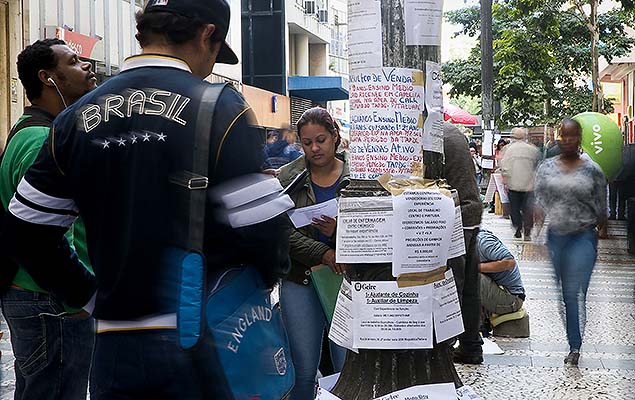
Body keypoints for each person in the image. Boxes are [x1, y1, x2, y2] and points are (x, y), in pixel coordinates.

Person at [0, 1, 290, 398]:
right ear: (206, 35)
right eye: (216, 52)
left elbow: (25, 231)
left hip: (114, 345)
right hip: (206, 341)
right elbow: (267, 233)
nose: (211, 65)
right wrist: (257, 284)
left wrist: (88, 296)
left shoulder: (72, 119)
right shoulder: (218, 106)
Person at [0, 38, 97, 400]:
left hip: (43, 296)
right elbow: (51, 233)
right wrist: (78, 299)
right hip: (51, 300)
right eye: (73, 61)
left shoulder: (34, 131)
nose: (86, 65)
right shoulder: (42, 138)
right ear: (47, 77)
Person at [277, 107, 349, 399]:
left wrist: (338, 231)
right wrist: (323, 252)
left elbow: (377, 228)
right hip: (300, 278)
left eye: (320, 140)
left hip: (346, 281)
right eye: (307, 143)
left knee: (347, 365)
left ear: (335, 137)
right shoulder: (288, 177)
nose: (314, 148)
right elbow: (279, 231)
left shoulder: (357, 176)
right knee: (303, 369)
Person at [534, 118, 607, 366]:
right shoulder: (546, 168)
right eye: (564, 136)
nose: (568, 140)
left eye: (572, 135)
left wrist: (599, 228)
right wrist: (536, 218)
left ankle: (575, 345)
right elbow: (540, 199)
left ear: (580, 137)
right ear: (559, 137)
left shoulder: (592, 170)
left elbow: (601, 206)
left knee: (575, 291)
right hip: (557, 237)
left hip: (583, 236)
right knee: (565, 294)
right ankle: (572, 340)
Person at [443, 122, 484, 365]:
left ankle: (445, 348)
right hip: (469, 211)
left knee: (452, 286)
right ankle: (470, 345)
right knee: (468, 286)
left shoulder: (434, 135)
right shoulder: (451, 131)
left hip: (454, 216)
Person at [477, 229, 526, 332]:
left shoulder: (483, 241)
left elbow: (509, 262)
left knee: (473, 276)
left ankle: (477, 325)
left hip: (512, 299)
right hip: (498, 293)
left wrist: (476, 267)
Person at [499, 127, 541, 240]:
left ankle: (518, 227)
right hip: (529, 185)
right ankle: (527, 230)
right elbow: (537, 167)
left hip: (513, 185)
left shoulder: (507, 150)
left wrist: (505, 181)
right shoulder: (532, 150)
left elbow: (504, 167)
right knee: (528, 209)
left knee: (514, 208)